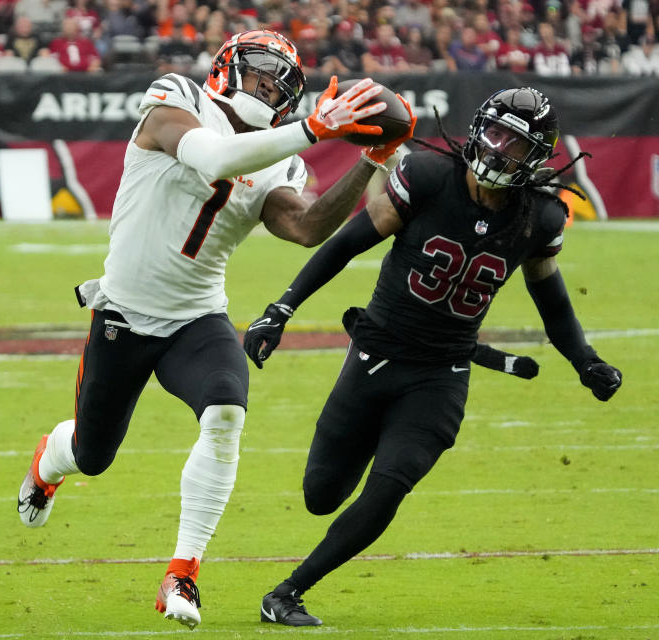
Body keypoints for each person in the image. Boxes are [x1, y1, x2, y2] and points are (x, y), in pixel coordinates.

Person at [16, 29, 416, 631]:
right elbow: (214, 157)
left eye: (281, 82)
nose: (269, 86)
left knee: (227, 412)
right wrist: (313, 129)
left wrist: (368, 162)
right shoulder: (175, 97)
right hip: (125, 312)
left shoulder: (282, 156)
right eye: (260, 72)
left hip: (198, 316)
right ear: (227, 68)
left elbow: (306, 227)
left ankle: (183, 571)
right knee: (94, 455)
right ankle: (50, 460)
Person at [243, 87, 623, 627]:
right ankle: (366, 442)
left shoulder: (540, 218)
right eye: (494, 133)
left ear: (536, 158)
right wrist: (281, 309)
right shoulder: (426, 177)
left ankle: (287, 593)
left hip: (440, 375)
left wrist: (586, 361)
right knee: (320, 495)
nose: (497, 150)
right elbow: (345, 243)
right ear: (476, 129)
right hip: (375, 356)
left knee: (390, 485)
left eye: (515, 146)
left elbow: (554, 306)